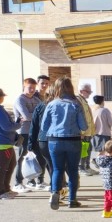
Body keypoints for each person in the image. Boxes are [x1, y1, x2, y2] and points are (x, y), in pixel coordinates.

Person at [40, 77, 89, 210]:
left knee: (57, 169)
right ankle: (72, 200)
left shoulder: (51, 104)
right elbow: (84, 126)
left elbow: (44, 127)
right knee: (73, 170)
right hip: (73, 140)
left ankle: (55, 192)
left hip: (54, 140)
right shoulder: (76, 104)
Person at [11, 77, 40, 192]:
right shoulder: (20, 100)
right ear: (24, 86)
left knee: (35, 158)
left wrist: (31, 116)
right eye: (30, 87)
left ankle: (31, 181)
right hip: (23, 132)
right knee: (23, 157)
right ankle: (18, 182)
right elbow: (26, 116)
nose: (32, 90)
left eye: (34, 87)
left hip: (35, 132)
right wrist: (35, 116)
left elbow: (41, 113)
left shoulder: (36, 100)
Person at [27, 84, 54, 192]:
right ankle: (55, 185)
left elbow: (33, 126)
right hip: (55, 139)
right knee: (54, 165)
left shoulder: (40, 106)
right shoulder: (59, 106)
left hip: (42, 139)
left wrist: (30, 143)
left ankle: (44, 182)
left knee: (46, 162)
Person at [76, 83, 97, 175]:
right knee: (83, 150)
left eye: (90, 92)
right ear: (81, 91)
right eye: (88, 92)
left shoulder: (84, 100)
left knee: (88, 149)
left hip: (88, 131)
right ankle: (81, 167)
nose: (89, 94)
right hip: (83, 132)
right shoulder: (78, 100)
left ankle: (87, 166)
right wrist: (81, 132)